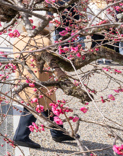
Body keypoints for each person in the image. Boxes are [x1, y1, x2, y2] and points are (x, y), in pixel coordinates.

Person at [10, 16, 75, 148]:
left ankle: (58, 132)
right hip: (41, 78)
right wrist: (63, 78)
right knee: (35, 106)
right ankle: (21, 136)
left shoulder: (19, 39)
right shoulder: (44, 41)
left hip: (24, 76)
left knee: (47, 104)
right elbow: (53, 63)